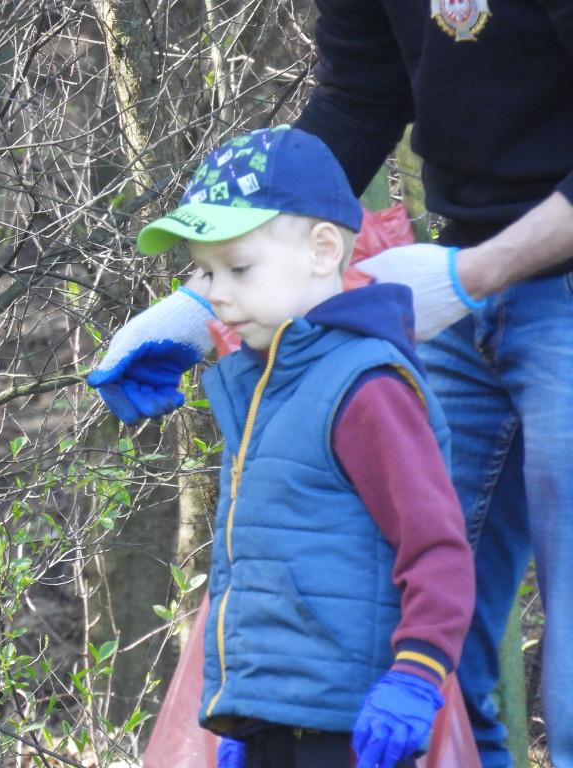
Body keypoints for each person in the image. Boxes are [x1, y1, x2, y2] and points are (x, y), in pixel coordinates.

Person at [87, 6, 573, 766]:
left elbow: (431, 548)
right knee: (449, 689)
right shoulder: (293, 379)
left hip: (533, 283)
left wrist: (479, 272)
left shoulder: (364, 386)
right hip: (459, 273)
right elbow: (357, 99)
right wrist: (203, 298)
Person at [110, 125, 474, 768]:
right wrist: (246, 718)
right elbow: (263, 571)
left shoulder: (365, 389)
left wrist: (417, 674)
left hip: (354, 730)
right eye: (204, 270)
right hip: (274, 728)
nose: (215, 294)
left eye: (238, 267)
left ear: (323, 249)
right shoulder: (263, 390)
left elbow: (436, 546)